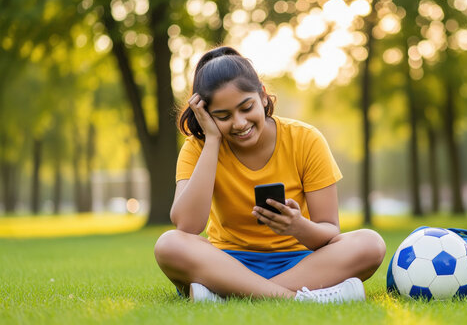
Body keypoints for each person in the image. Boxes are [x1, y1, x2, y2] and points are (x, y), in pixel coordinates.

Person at [154, 46, 386, 303]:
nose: (240, 123)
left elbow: (329, 230)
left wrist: (298, 226)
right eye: (223, 116)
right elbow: (188, 226)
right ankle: (302, 298)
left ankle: (229, 295)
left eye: (246, 107)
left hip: (300, 263)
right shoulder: (198, 147)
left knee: (370, 243)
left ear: (263, 96)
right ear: (207, 115)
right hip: (227, 264)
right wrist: (211, 140)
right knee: (169, 244)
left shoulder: (305, 139)